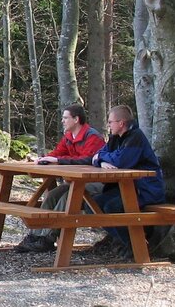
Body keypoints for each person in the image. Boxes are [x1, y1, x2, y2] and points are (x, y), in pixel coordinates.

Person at [15, 104, 106, 253]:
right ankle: (36, 235)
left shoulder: (93, 137)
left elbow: (88, 160)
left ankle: (47, 238)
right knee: (52, 195)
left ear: (76, 119)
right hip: (76, 182)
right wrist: (44, 159)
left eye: (65, 118)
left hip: (97, 183)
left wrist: (59, 161)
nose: (62, 121)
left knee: (67, 197)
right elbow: (57, 153)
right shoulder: (69, 137)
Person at [86, 105, 166, 256]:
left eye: (110, 122)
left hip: (145, 189)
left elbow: (121, 161)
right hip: (124, 188)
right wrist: (101, 161)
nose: (108, 125)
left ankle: (136, 244)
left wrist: (102, 158)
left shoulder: (136, 137)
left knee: (111, 207)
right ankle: (130, 241)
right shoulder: (115, 138)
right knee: (92, 205)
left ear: (121, 123)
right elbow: (97, 156)